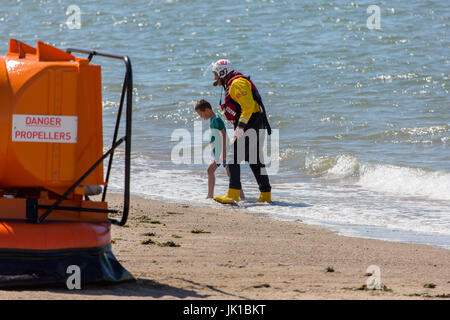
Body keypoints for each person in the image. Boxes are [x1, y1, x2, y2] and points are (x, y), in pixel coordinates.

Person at [209, 59, 272, 204]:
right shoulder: (232, 83)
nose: (214, 78)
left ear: (223, 72)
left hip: (251, 123)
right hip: (254, 122)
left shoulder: (236, 83)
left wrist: (241, 127)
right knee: (254, 159)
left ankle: (233, 194)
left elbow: (248, 107)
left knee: (231, 157)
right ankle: (265, 194)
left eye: (215, 74)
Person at [195, 99, 245, 200]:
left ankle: (210, 195)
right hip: (218, 152)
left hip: (222, 152)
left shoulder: (216, 119)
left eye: (201, 114)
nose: (201, 117)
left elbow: (223, 134)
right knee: (231, 174)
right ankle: (242, 196)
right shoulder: (213, 119)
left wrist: (224, 154)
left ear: (208, 110)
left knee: (210, 170)